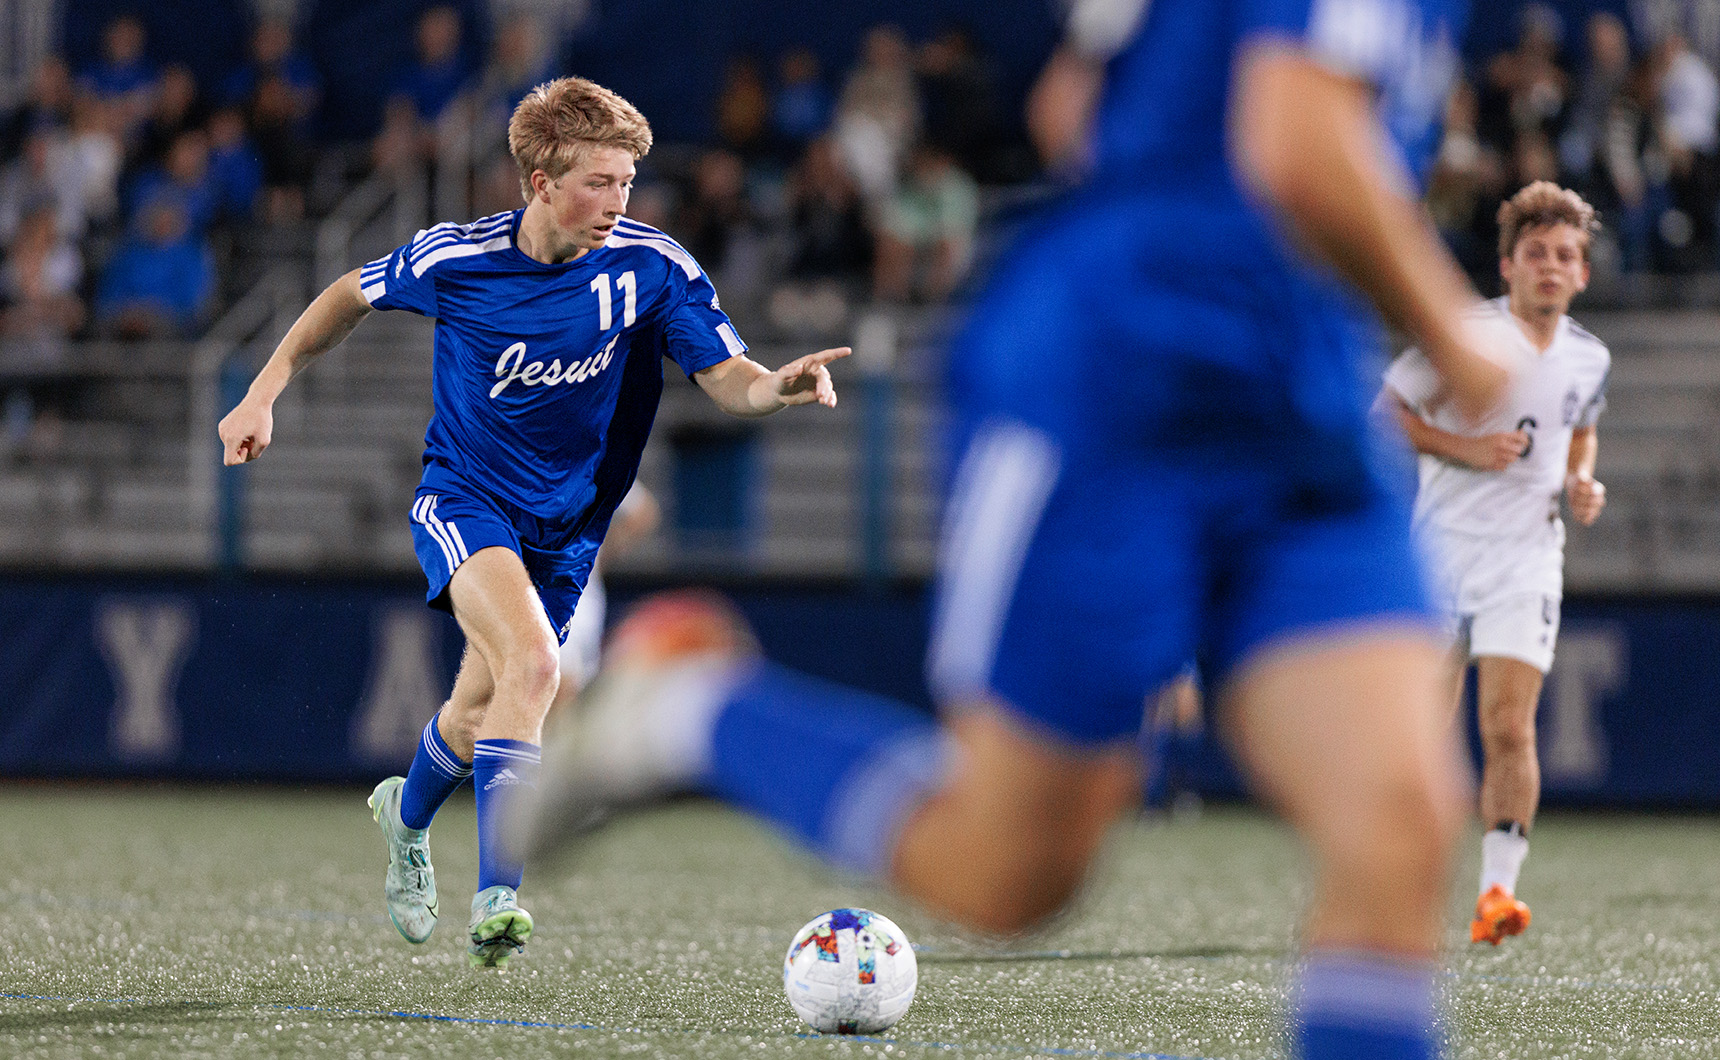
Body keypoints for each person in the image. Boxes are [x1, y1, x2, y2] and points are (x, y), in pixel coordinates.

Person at [517, 3, 1513, 1058]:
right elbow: (1297, 145)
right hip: (1114, 384)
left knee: (1396, 823)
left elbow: (1069, 107)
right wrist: (1455, 334)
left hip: (1292, 394)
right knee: (1007, 873)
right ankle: (685, 711)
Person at [216, 76, 848, 969]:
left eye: (628, 181)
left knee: (481, 711)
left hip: (571, 528)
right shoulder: (456, 260)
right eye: (599, 181)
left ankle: (402, 818)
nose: (618, 201)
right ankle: (498, 895)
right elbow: (343, 299)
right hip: (465, 499)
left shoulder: (652, 267)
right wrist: (260, 394)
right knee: (537, 665)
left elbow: (729, 377)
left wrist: (776, 387)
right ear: (540, 181)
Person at [1380, 181, 1609, 947]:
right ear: (1507, 266)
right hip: (1440, 549)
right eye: (1536, 253)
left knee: (1510, 728)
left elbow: (1580, 429)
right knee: (1420, 729)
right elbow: (1385, 415)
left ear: (1582, 274)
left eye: (1565, 256)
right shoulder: (1463, 337)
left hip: (1528, 557)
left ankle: (1496, 896)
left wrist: (1580, 480)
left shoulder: (1589, 358)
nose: (1551, 266)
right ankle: (1395, 885)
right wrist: (1467, 450)